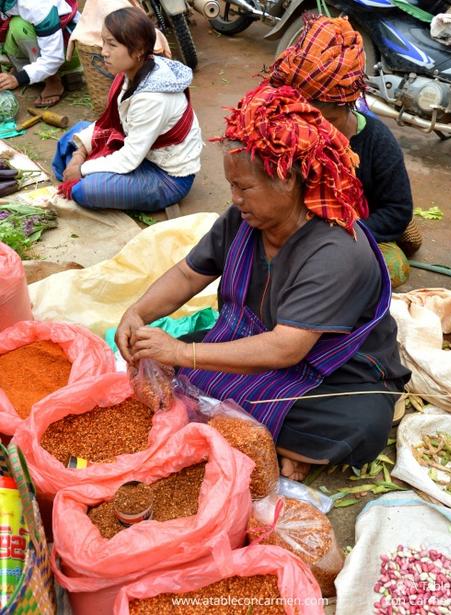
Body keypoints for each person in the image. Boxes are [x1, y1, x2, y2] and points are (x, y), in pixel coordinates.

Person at [115, 82, 410, 482]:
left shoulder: (337, 250)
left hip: (333, 371)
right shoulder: (244, 219)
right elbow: (189, 272)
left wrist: (183, 354)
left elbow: (288, 347)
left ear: (287, 179)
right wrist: (137, 312)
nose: (234, 198)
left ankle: (254, 432)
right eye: (232, 186)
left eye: (244, 187)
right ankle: (259, 438)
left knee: (358, 426)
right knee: (191, 379)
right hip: (255, 350)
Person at [268, 15, 423, 288]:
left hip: (352, 233)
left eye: (330, 121)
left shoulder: (378, 142)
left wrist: (339, 233)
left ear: (349, 105)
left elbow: (397, 211)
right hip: (297, 230)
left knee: (393, 266)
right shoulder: (287, 133)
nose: (321, 131)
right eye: (310, 120)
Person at [53, 7, 202, 212]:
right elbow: (113, 123)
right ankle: (74, 174)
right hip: (139, 150)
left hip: (166, 176)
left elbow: (129, 159)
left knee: (85, 190)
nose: (103, 51)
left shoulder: (152, 98)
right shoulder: (133, 70)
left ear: (139, 49)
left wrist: (81, 166)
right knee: (72, 137)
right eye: (104, 41)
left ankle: (74, 178)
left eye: (112, 45)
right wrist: (79, 155)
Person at [0, 0, 80, 107]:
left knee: (18, 26)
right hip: (40, 41)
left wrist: (18, 79)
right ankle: (24, 70)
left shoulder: (35, 4)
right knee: (13, 24)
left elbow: (54, 58)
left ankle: (52, 80)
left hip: (68, 52)